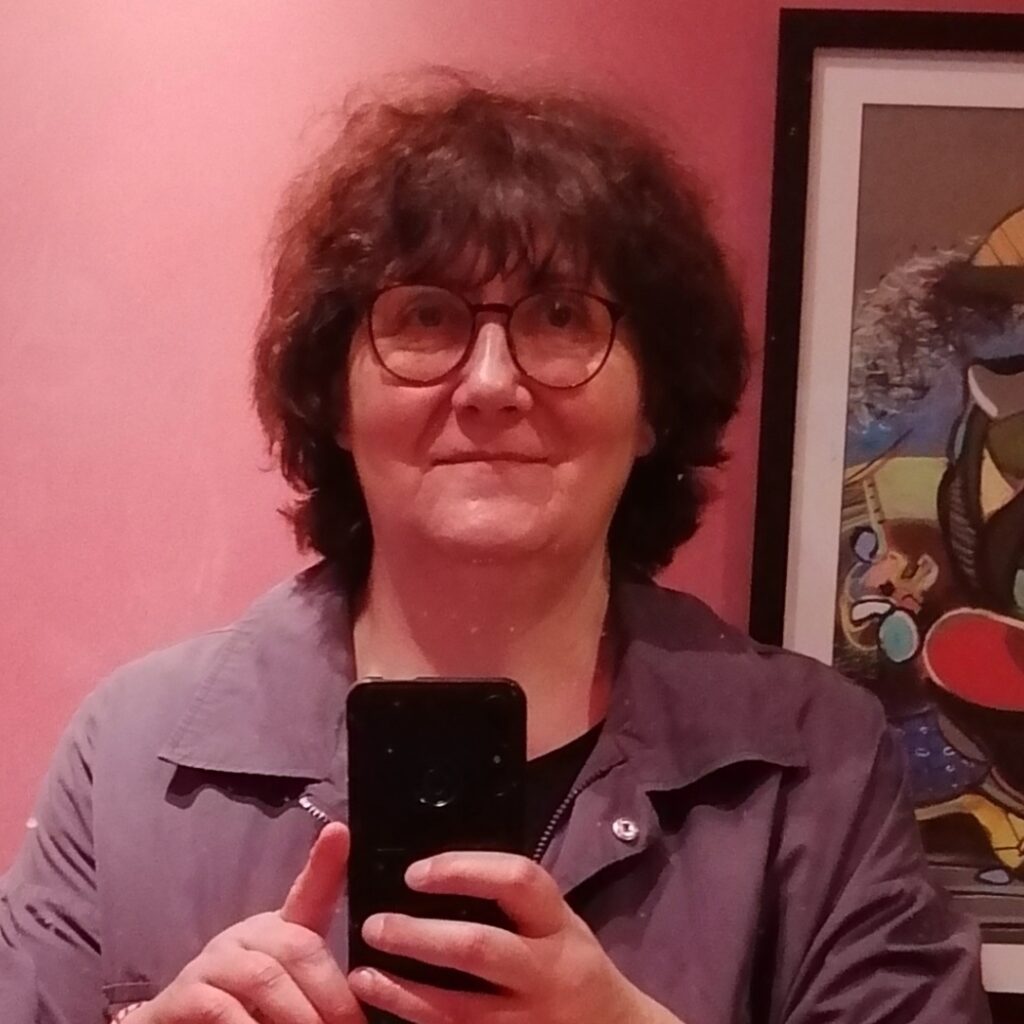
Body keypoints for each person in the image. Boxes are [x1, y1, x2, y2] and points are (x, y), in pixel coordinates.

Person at [0, 73, 991, 1024]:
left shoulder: (813, 763)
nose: (487, 383)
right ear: (335, 399)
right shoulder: (132, 761)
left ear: (653, 402)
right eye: (425, 317)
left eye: (559, 317)